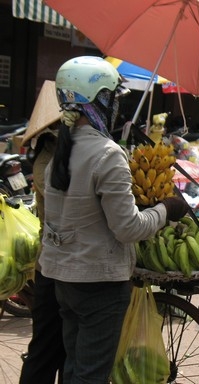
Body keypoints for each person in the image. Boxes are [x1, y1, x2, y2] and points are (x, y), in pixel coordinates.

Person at [38, 56, 189, 383]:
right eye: (113, 100)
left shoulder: (60, 154)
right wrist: (166, 209)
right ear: (100, 101)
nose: (117, 108)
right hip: (98, 285)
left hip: (63, 280)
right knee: (90, 374)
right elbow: (129, 228)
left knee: (75, 368)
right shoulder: (107, 154)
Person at [19, 80, 66, 384]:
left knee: (63, 349)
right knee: (45, 350)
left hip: (63, 264)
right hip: (50, 265)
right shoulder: (47, 164)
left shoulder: (62, 157)